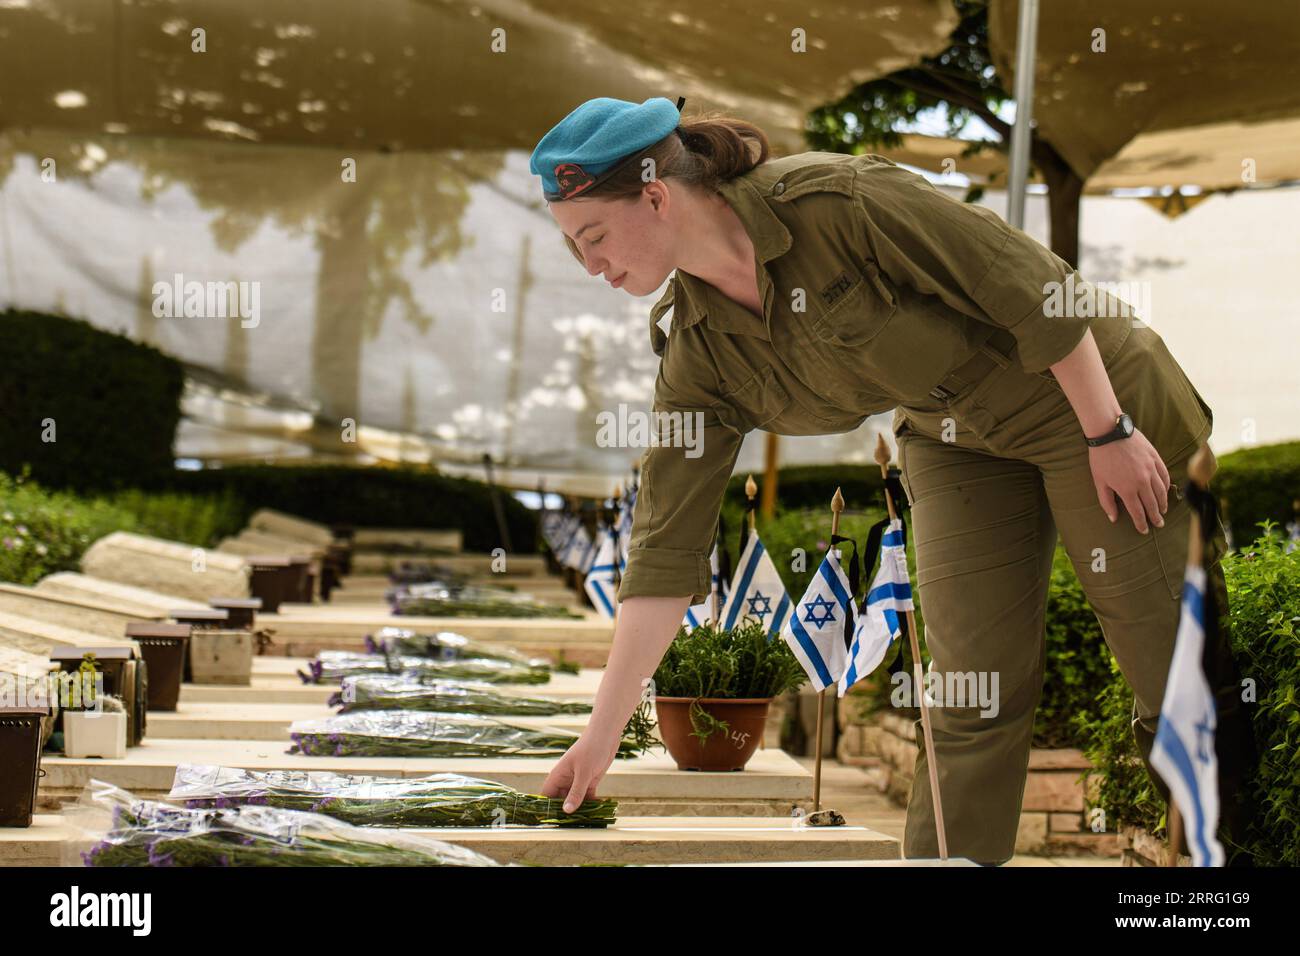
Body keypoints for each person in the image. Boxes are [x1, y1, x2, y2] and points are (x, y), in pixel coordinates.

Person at [528, 96, 1258, 865]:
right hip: (951, 435)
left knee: (1168, 670)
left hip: (1086, 397)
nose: (593, 266)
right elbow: (664, 549)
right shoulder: (697, 351)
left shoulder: (839, 202)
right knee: (971, 690)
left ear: (654, 195)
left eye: (595, 237)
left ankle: (1232, 869)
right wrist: (600, 737)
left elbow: (1035, 284)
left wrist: (1106, 430)